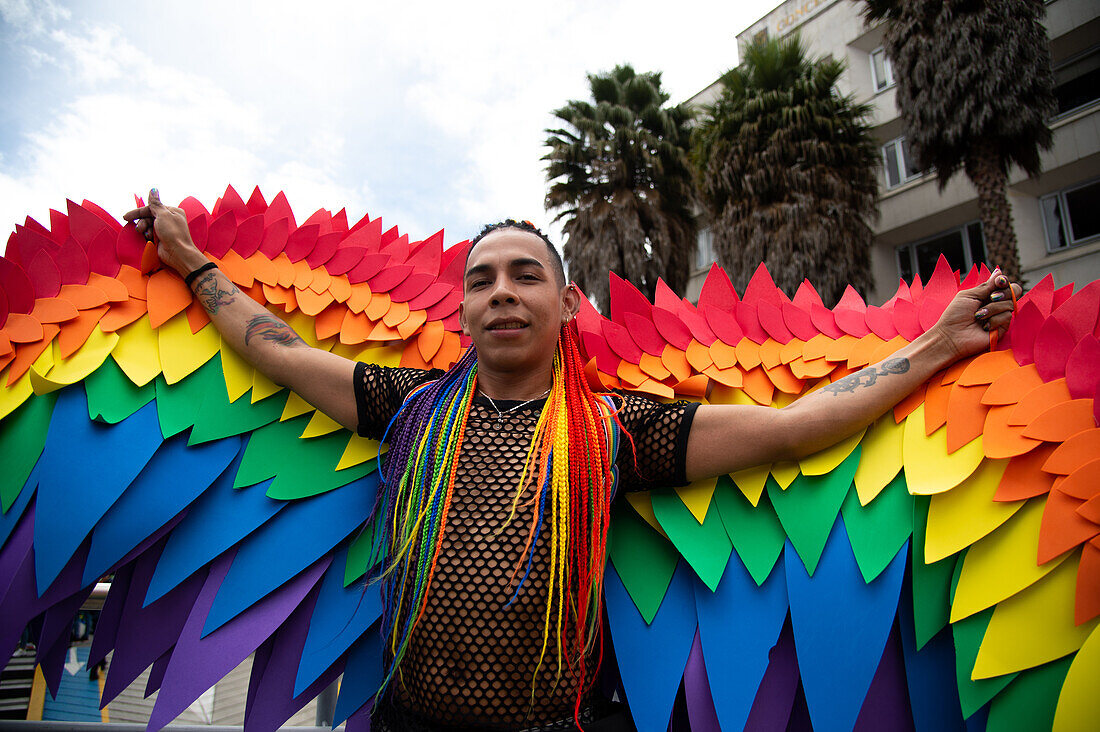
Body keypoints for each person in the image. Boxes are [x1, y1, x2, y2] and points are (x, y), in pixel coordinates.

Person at [125, 190, 1021, 731]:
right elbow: (277, 350)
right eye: (482, 280)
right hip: (404, 722)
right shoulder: (407, 409)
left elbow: (792, 427)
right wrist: (192, 261)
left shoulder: (614, 430)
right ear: (465, 314)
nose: (502, 291)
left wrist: (939, 347)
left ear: (566, 306)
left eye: (525, 275)